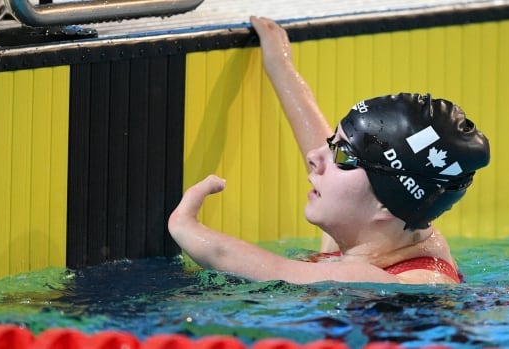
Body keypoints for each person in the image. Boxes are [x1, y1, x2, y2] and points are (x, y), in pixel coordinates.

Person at [168, 16, 490, 284]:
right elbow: (342, 159)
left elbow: (275, 271)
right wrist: (280, 67)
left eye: (343, 156)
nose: (314, 157)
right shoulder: (383, 227)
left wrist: (185, 226)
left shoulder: (407, 281)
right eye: (333, 146)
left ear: (384, 202)